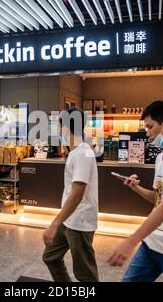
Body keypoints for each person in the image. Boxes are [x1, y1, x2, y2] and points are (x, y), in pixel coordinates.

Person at [108, 100, 163, 282]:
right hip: (151, 243)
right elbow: (159, 200)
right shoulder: (161, 158)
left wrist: (131, 240)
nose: (147, 134)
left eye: (150, 127)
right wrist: (136, 187)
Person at [42, 107, 99, 282]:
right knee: (50, 257)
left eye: (59, 126)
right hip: (69, 219)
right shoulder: (75, 152)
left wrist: (54, 224)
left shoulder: (82, 153)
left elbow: (77, 194)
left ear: (66, 127)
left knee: (85, 274)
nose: (59, 130)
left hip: (79, 221)